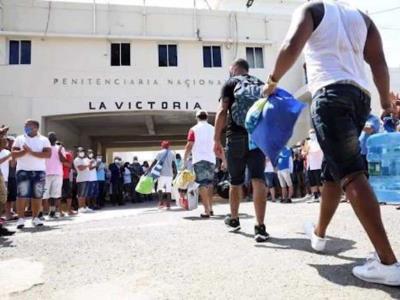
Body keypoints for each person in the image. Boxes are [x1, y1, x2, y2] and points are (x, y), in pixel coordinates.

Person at [263, 0, 400, 284]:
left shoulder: (312, 9)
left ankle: (388, 262)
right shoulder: (363, 18)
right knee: (332, 172)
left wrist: (273, 80)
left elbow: (291, 45)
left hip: (329, 94)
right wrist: (385, 100)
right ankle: (320, 234)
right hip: (359, 96)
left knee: (350, 174)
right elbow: (378, 61)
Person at [214, 58, 269, 242]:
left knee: (235, 181)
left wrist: (216, 139)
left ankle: (235, 219)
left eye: (230, 70)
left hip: (235, 136)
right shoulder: (260, 84)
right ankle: (260, 227)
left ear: (236, 69)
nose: (229, 73)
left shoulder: (230, 83)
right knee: (258, 180)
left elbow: (223, 111)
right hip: (257, 137)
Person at [12, 120, 51, 228]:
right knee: (22, 195)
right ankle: (20, 219)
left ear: (35, 128)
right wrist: (25, 152)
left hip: (39, 171)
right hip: (23, 170)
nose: (25, 127)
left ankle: (35, 218)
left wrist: (30, 152)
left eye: (28, 126)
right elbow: (14, 154)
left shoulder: (44, 139)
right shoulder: (19, 138)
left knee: (37, 195)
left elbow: (47, 154)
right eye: (25, 126)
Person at [184, 110, 216, 218]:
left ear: (197, 118)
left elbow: (189, 145)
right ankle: (211, 208)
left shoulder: (193, 129)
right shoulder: (213, 129)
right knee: (210, 183)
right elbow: (218, 143)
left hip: (199, 159)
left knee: (202, 184)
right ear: (207, 117)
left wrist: (185, 159)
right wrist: (223, 160)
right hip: (211, 159)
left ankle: (206, 210)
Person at [43, 132, 67, 218]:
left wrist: (60, 151)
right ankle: (47, 210)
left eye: (53, 137)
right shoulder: (45, 148)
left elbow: (63, 160)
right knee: (46, 194)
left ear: (56, 138)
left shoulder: (60, 148)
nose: (52, 138)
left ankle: (55, 211)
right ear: (48, 138)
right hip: (46, 173)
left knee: (56, 194)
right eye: (50, 137)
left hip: (57, 174)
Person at [150, 141, 176, 209]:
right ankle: (168, 204)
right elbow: (174, 164)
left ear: (162, 146)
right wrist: (175, 173)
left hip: (161, 174)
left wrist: (149, 169)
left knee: (160, 189)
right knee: (168, 190)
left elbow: (155, 162)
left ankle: (161, 203)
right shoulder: (172, 153)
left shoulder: (159, 153)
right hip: (170, 174)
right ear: (169, 146)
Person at [0, 127, 15, 236]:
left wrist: (14, 157)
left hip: (3, 177)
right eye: (2, 136)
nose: (5, 139)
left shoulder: (6, 151)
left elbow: (12, 165)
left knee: (2, 201)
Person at [302, 129, 324, 203]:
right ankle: (315, 196)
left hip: (318, 165)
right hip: (310, 166)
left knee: (319, 182)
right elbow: (303, 152)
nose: (312, 134)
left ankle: (322, 196)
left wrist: (309, 151)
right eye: (310, 133)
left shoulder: (319, 141)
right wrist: (306, 151)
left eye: (313, 132)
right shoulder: (308, 142)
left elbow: (318, 150)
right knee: (312, 182)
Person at [73, 147, 94, 213]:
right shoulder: (76, 159)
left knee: (85, 194)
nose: (82, 152)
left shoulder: (85, 159)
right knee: (80, 194)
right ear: (77, 152)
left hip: (87, 178)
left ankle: (84, 206)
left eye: (83, 151)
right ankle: (80, 207)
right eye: (80, 151)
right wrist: (88, 165)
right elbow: (80, 168)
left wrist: (90, 163)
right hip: (81, 179)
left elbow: (90, 168)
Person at [5, 136, 17, 220]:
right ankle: (7, 214)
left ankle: (9, 213)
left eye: (12, 142)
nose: (11, 143)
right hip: (6, 177)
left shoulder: (12, 152)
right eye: (9, 142)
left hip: (13, 176)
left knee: (11, 197)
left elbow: (14, 165)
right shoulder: (6, 152)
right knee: (7, 197)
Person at [61, 147, 76, 215]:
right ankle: (69, 210)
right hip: (65, 176)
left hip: (61, 176)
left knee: (57, 194)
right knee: (68, 194)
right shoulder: (68, 154)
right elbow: (69, 165)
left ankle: (59, 211)